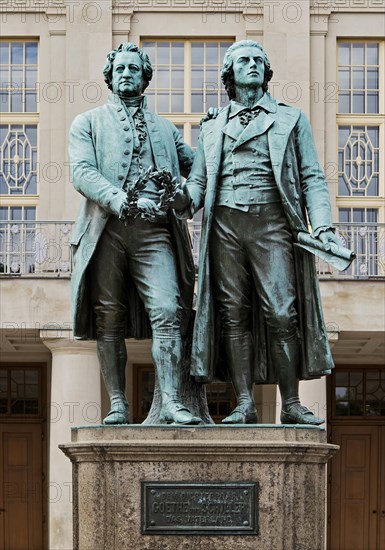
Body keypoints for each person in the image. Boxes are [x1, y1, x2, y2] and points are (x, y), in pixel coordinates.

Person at [173, 40, 340, 425]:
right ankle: (245, 403)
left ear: (266, 72)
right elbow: (198, 183)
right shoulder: (214, 126)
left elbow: (312, 178)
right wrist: (181, 198)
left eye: (258, 61)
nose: (251, 65)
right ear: (229, 74)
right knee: (233, 315)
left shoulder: (290, 118)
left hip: (272, 225)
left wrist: (324, 226)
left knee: (283, 313)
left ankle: (292, 404)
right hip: (226, 227)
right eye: (243, 61)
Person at [69, 42, 202, 425]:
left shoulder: (167, 129)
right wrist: (121, 200)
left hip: (155, 232)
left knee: (168, 311)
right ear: (109, 77)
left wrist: (213, 137)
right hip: (106, 229)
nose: (126, 73)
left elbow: (199, 173)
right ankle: (117, 402)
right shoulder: (87, 122)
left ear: (146, 77)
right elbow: (82, 172)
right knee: (108, 318)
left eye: (134, 68)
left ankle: (173, 403)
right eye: (120, 68)